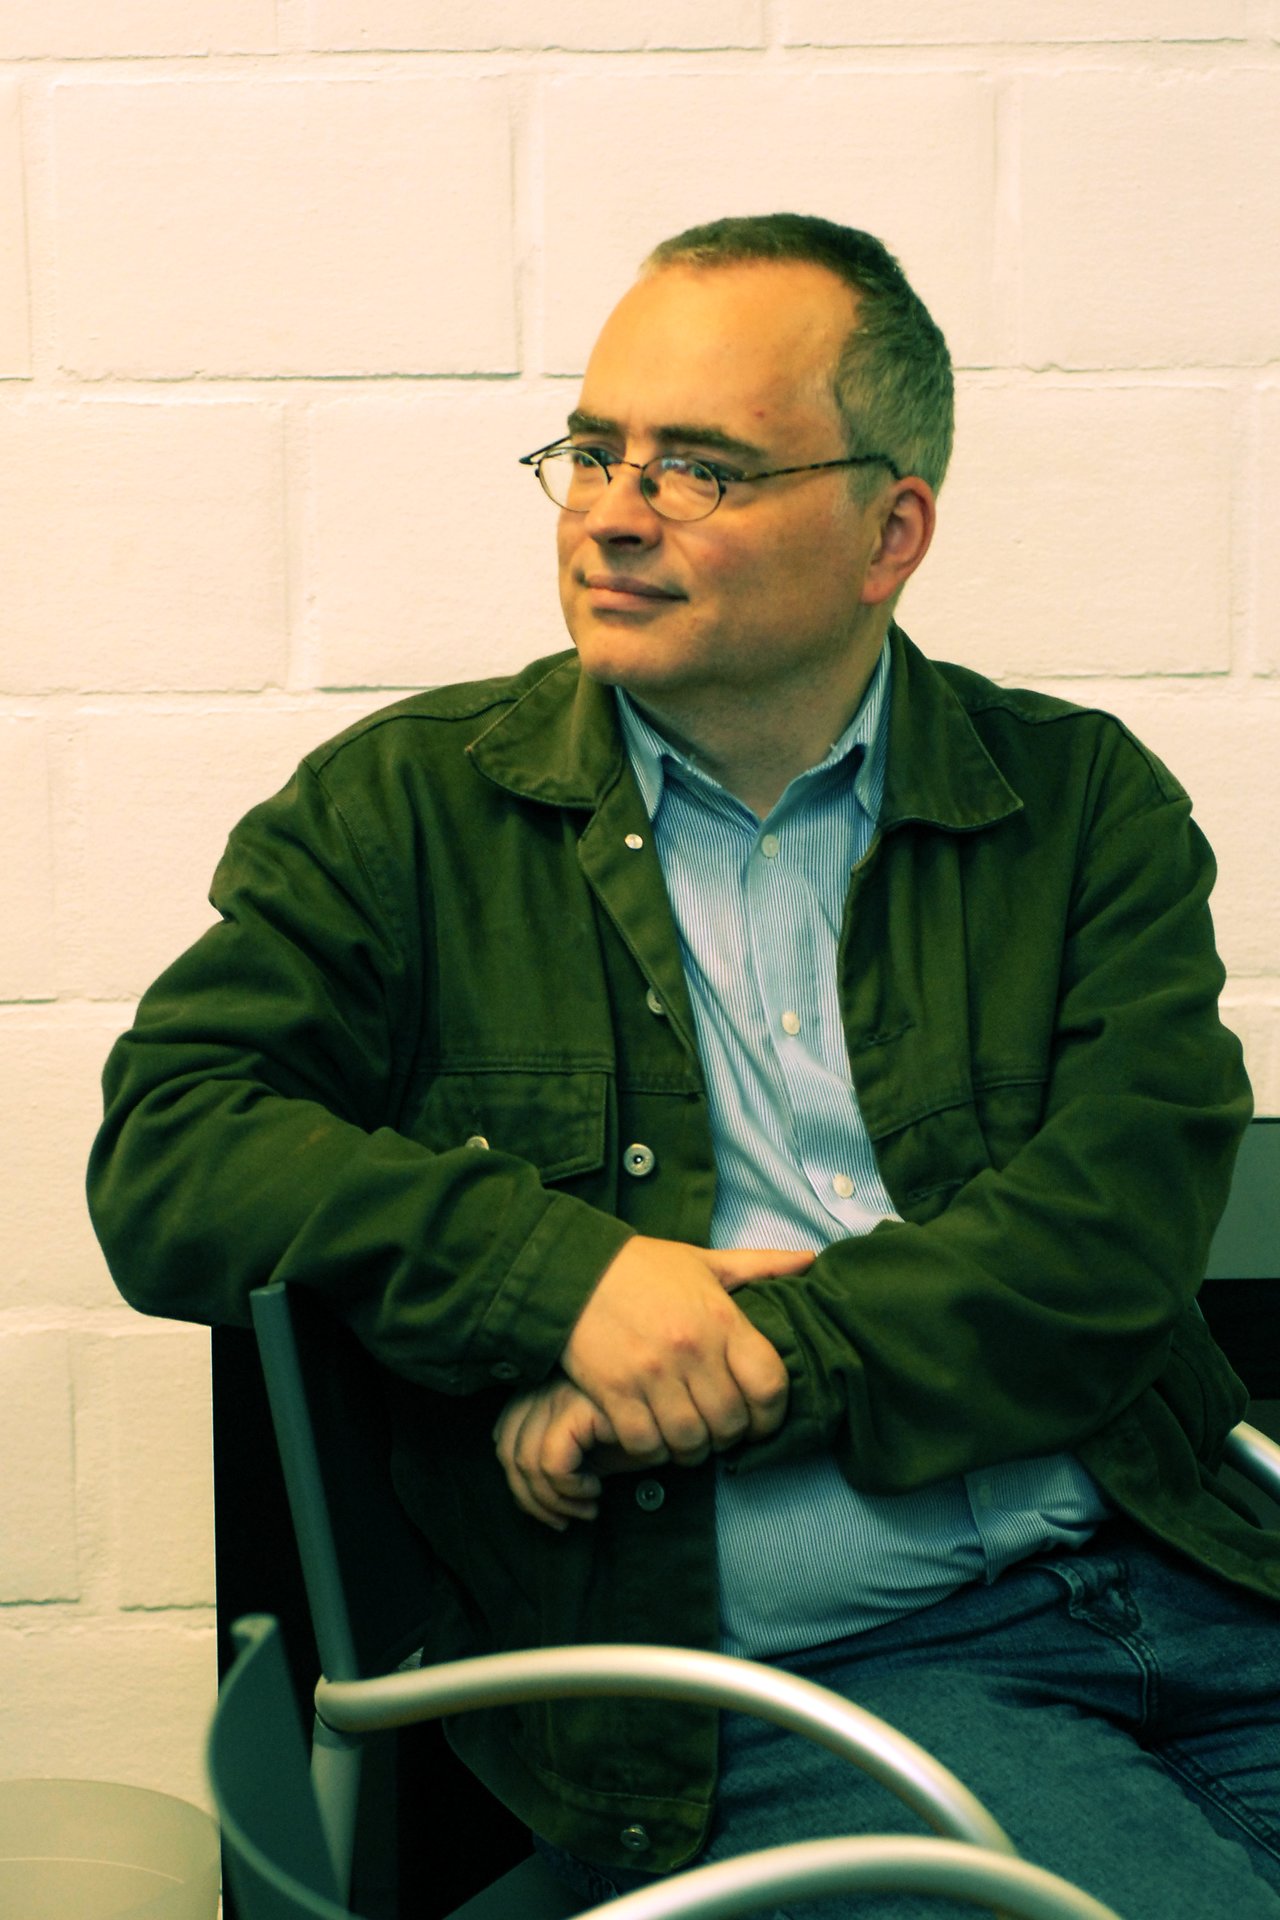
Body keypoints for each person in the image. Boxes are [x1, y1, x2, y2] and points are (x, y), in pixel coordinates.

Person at [88, 213, 1280, 1918]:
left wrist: (716, 1356)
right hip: (831, 1672)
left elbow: (1115, 1234)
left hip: (1196, 1564)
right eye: (596, 451)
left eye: (702, 468)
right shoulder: (404, 816)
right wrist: (567, 1282)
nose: (616, 511)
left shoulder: (1081, 803)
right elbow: (170, 1157)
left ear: (892, 529)